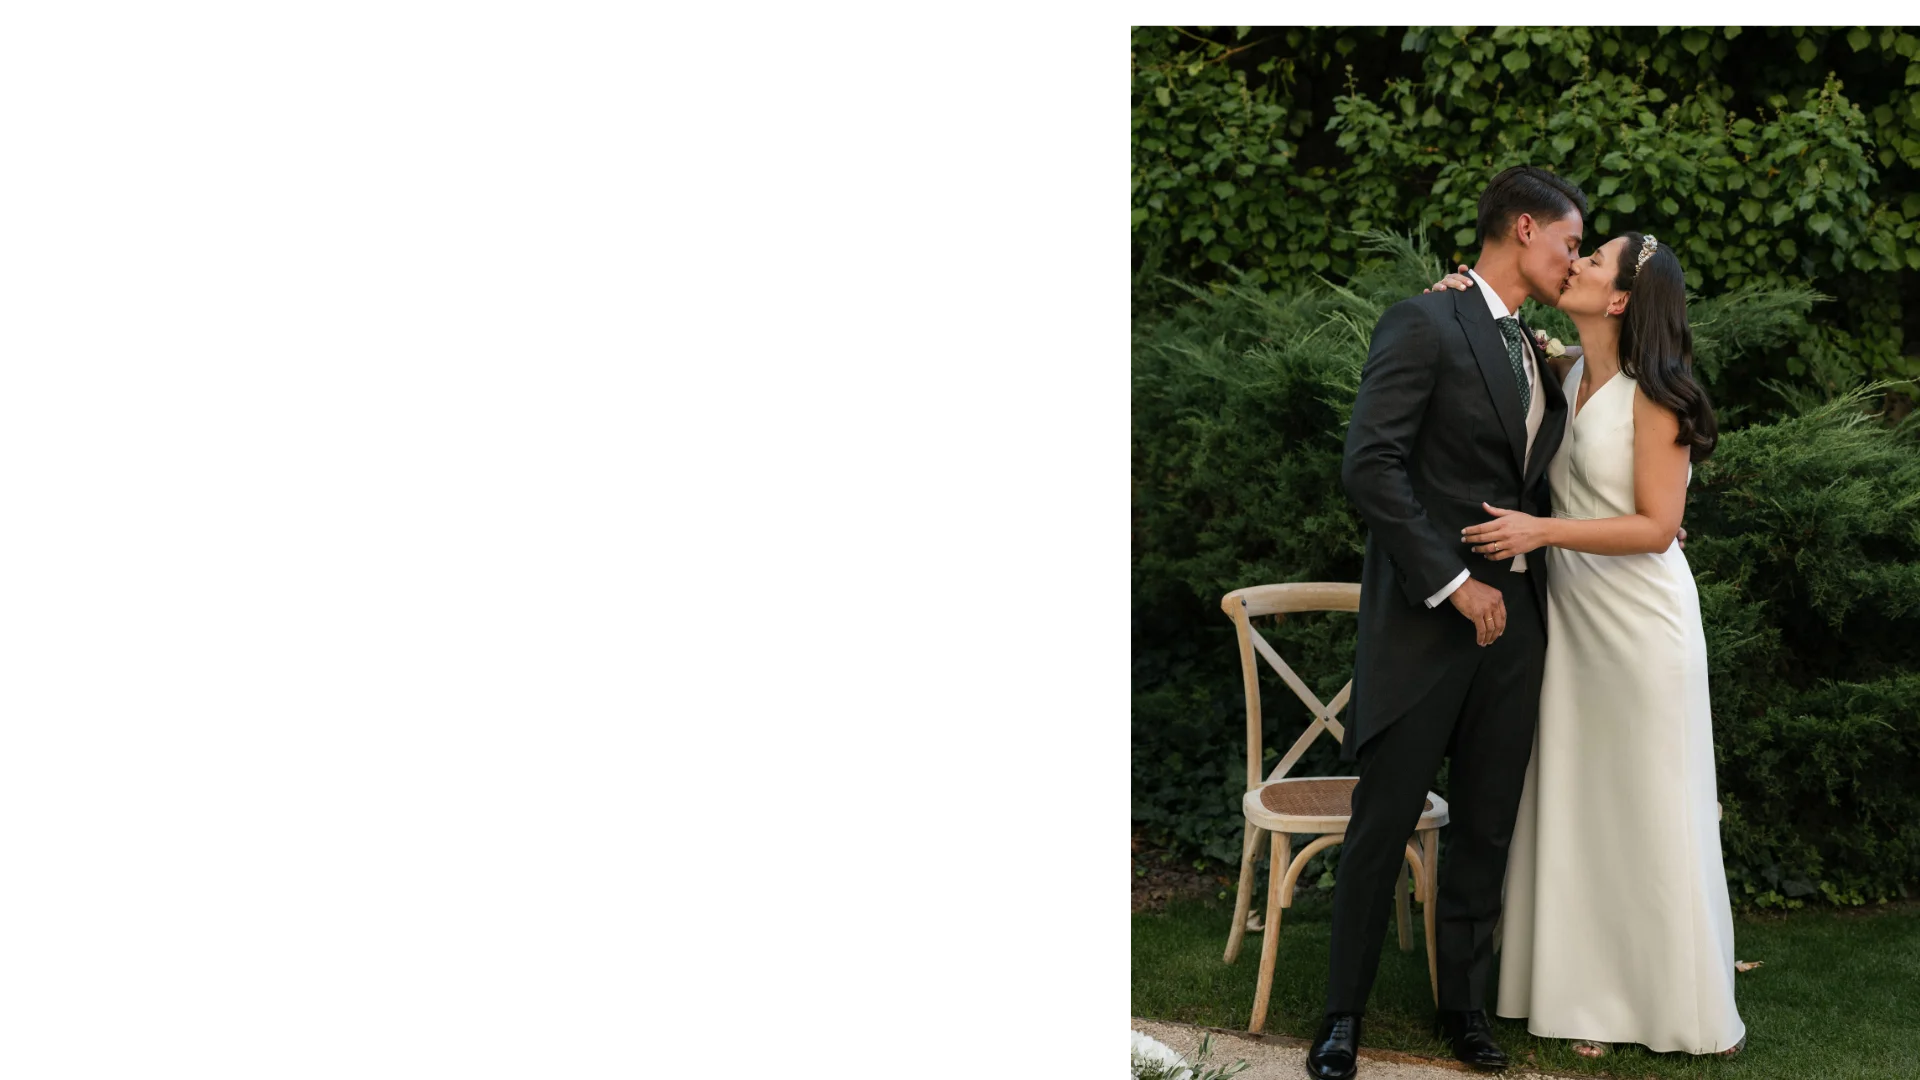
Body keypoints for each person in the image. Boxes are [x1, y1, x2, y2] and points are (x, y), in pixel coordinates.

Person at [1428, 232, 1748, 1058]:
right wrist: (1458, 295)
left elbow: (1658, 526)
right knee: (1578, 798)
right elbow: (1501, 337)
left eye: (1594, 261)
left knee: (1644, 803)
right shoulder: (1564, 369)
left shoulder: (1660, 397)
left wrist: (1541, 528)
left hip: (1641, 625)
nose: (1574, 264)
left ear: (1619, 300)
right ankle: (1574, 988)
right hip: (1573, 621)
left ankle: (1654, 997)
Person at [1314, 165, 1585, 1080]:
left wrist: (1508, 597)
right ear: (1522, 227)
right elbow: (1371, 468)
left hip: (1520, 630)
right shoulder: (1423, 321)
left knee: (1487, 823)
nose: (1574, 259)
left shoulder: (1540, 353)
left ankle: (1463, 1010)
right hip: (1429, 626)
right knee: (1382, 820)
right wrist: (1452, 585)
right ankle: (1340, 1018)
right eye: (1569, 243)